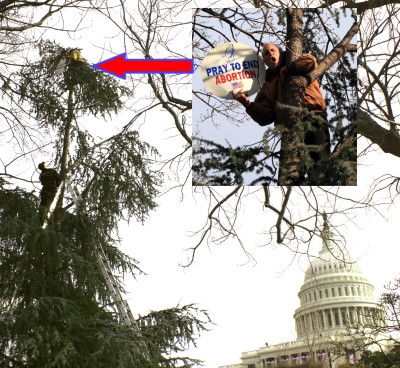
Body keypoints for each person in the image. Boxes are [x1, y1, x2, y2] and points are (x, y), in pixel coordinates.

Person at [233, 43, 330, 177]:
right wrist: (248, 104)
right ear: (265, 62)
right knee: (292, 175)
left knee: (321, 165)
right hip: (289, 129)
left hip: (313, 116)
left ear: (279, 52)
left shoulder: (296, 58)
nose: (270, 54)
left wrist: (289, 68)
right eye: (266, 54)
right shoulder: (267, 85)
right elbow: (265, 117)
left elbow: (311, 61)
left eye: (272, 50)